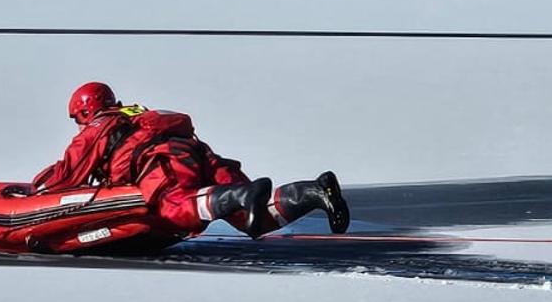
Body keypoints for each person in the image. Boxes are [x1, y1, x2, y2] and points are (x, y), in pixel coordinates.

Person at [29, 82, 347, 237]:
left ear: (86, 109)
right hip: (198, 152)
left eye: (77, 119)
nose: (78, 125)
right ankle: (314, 192)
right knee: (253, 220)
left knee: (175, 207)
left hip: (161, 161)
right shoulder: (137, 114)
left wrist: (36, 191)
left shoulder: (101, 123)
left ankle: (240, 194)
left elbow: (71, 169)